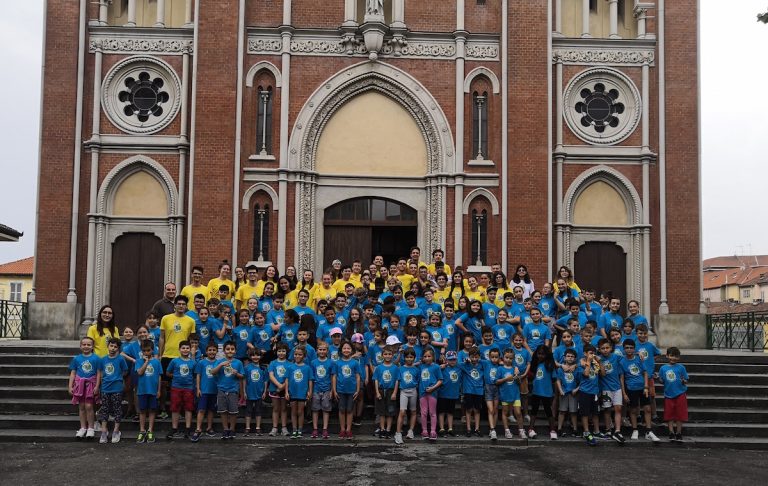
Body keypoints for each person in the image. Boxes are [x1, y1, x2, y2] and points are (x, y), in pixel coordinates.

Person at [158, 295, 196, 419]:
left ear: (186, 306)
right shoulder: (166, 318)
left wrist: (191, 354)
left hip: (183, 357)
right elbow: (162, 337)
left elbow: (192, 340)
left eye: (183, 304)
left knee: (183, 384)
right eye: (178, 304)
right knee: (163, 384)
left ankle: (183, 410)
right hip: (167, 355)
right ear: (174, 305)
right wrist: (160, 354)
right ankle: (163, 409)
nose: (181, 306)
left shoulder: (191, 321)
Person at [620, 339, 660, 442]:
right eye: (627, 348)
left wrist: (646, 387)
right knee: (633, 410)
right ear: (624, 349)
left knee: (647, 408)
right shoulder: (622, 361)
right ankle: (635, 430)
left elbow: (645, 372)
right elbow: (622, 378)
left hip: (642, 387)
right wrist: (624, 393)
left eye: (631, 348)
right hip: (631, 388)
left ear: (634, 349)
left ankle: (648, 431)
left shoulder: (639, 359)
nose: (629, 350)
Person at [96, 338, 128, 444]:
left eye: (115, 347)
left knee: (117, 408)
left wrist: (117, 378)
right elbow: (100, 373)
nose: (113, 348)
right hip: (105, 388)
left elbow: (125, 371)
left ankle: (116, 430)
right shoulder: (103, 359)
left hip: (117, 388)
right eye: (111, 346)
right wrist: (98, 386)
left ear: (118, 348)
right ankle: (104, 431)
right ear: (108, 346)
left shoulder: (120, 359)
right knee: (105, 409)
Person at [68, 337, 101, 439]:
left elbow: (99, 373)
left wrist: (97, 386)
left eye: (89, 345)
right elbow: (73, 373)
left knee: (89, 406)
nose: (86, 347)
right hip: (79, 385)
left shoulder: (96, 358)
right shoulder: (76, 359)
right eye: (84, 344)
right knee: (81, 406)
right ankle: (83, 427)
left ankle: (91, 428)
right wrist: (70, 386)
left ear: (92, 346)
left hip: (91, 385)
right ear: (80, 346)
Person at [212, 341, 245, 439]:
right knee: (223, 411)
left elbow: (242, 376)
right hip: (221, 389)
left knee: (233, 411)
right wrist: (221, 365)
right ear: (224, 350)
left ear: (235, 351)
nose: (230, 351)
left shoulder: (238, 362)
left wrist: (236, 373)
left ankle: (232, 429)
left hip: (233, 389)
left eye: (232, 349)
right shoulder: (219, 361)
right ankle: (225, 429)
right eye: (228, 349)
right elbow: (213, 372)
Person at [597, 338, 626, 443]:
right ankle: (608, 429)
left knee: (618, 409)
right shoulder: (598, 359)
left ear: (611, 348)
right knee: (607, 409)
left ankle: (617, 430)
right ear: (599, 349)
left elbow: (628, 356)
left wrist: (638, 354)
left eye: (607, 348)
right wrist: (600, 362)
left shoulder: (616, 357)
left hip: (617, 387)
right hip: (605, 388)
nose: (605, 350)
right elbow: (603, 374)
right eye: (603, 348)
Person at [165, 340, 196, 439]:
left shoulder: (193, 362)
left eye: (187, 348)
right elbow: (168, 373)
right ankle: (174, 428)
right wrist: (176, 376)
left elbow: (195, 374)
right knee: (175, 408)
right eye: (183, 348)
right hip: (176, 387)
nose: (185, 350)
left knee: (188, 408)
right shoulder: (174, 361)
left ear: (190, 349)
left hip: (189, 388)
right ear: (179, 349)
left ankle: (188, 428)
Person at [333, 341, 363, 440]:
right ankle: (342, 429)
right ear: (341, 350)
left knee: (350, 410)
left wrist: (358, 390)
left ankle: (348, 430)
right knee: (341, 410)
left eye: (348, 348)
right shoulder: (337, 363)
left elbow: (358, 377)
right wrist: (334, 390)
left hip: (352, 390)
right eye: (344, 348)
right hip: (340, 390)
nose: (346, 350)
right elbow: (334, 377)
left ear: (352, 350)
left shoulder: (355, 362)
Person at [658, 347, 689, 442]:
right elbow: (662, 380)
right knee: (669, 414)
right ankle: (671, 432)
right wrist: (659, 379)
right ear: (667, 356)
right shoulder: (663, 368)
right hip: (668, 394)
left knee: (680, 414)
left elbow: (686, 379)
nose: (673, 358)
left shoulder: (681, 367)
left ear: (679, 358)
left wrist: (684, 381)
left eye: (676, 356)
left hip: (680, 393)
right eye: (671, 355)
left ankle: (679, 432)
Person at [190, 343, 219, 442]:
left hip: (214, 390)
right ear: (206, 352)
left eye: (214, 350)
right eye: (210, 350)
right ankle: (198, 429)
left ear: (217, 351)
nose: (212, 352)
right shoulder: (202, 363)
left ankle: (209, 428)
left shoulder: (219, 363)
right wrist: (198, 388)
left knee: (211, 410)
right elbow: (198, 375)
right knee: (201, 410)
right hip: (204, 390)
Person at [135, 340, 162, 444]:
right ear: (141, 351)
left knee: (152, 410)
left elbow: (159, 376)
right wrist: (146, 362)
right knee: (142, 411)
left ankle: (150, 429)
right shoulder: (138, 361)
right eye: (144, 351)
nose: (146, 352)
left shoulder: (156, 362)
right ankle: (142, 430)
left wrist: (159, 390)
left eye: (148, 350)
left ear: (152, 350)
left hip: (153, 390)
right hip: (142, 390)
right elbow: (140, 372)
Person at [528, 345, 558, 440]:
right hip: (536, 391)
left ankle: (552, 430)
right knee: (534, 410)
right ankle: (530, 429)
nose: (540, 356)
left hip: (546, 392)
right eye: (539, 354)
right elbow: (532, 376)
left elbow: (554, 378)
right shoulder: (535, 364)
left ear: (547, 355)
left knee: (548, 411)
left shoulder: (550, 365)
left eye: (543, 354)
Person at [496, 348, 526, 439]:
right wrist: (506, 379)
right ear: (503, 358)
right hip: (505, 395)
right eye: (506, 357)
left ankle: (521, 430)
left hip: (515, 395)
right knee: (505, 412)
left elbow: (519, 382)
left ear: (513, 359)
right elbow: (496, 381)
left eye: (510, 358)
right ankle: (507, 431)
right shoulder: (500, 369)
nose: (508, 360)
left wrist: (517, 376)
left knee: (518, 413)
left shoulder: (515, 369)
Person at [286, 345, 313, 438]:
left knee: (300, 411)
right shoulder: (290, 367)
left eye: (300, 354)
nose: (297, 356)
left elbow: (310, 380)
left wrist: (310, 391)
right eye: (296, 354)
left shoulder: (307, 368)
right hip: (292, 392)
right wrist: (286, 391)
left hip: (302, 392)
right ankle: (294, 430)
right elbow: (287, 380)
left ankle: (300, 430)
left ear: (304, 356)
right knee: (293, 411)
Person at [578, 344, 602, 446]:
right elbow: (586, 374)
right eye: (590, 353)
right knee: (585, 413)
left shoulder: (595, 364)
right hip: (585, 391)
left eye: (594, 353)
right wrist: (588, 361)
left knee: (595, 413)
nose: (593, 355)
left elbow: (602, 374)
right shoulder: (581, 364)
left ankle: (596, 431)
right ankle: (586, 432)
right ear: (585, 354)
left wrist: (599, 362)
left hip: (594, 391)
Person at [394, 347, 419, 444]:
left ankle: (411, 430)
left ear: (414, 358)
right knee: (402, 411)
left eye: (411, 357)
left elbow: (417, 381)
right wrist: (395, 393)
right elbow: (398, 381)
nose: (409, 359)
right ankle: (398, 433)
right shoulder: (401, 369)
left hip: (413, 391)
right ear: (404, 358)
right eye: (407, 357)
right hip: (403, 391)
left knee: (413, 411)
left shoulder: (416, 369)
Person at [373, 346, 400, 439]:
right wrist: (377, 392)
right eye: (385, 354)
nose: (387, 356)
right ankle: (382, 429)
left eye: (389, 354)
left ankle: (388, 429)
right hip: (381, 390)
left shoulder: (395, 368)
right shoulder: (378, 368)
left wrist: (394, 393)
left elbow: (397, 380)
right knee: (381, 412)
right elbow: (376, 380)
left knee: (390, 412)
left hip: (391, 391)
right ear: (382, 355)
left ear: (392, 355)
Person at [458, 348, 484, 437]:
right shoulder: (466, 365)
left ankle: (477, 429)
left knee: (477, 410)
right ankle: (468, 429)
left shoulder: (482, 364)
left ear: (479, 357)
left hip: (479, 391)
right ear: (469, 356)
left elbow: (491, 363)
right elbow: (458, 364)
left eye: (476, 357)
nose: (474, 359)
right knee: (468, 410)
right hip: (468, 391)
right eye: (472, 357)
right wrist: (465, 361)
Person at [311, 341, 334, 439]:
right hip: (316, 388)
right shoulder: (313, 362)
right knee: (315, 409)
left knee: (326, 409)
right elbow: (311, 378)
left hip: (327, 388)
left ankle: (325, 429)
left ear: (327, 351)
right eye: (320, 349)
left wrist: (332, 390)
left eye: (324, 350)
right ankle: (315, 429)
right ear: (317, 351)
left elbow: (333, 377)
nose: (322, 351)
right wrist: (310, 390)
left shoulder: (331, 362)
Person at [555, 348, 580, 438]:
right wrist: (560, 390)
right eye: (568, 356)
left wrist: (576, 389)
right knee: (562, 411)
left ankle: (575, 429)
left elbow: (582, 381)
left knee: (573, 412)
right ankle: (559, 429)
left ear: (575, 359)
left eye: (572, 357)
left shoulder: (576, 369)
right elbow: (558, 380)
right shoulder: (561, 369)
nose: (570, 358)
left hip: (573, 393)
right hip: (564, 392)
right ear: (564, 358)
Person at [243, 348, 268, 436]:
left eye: (257, 355)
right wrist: (244, 392)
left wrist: (265, 391)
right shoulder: (247, 368)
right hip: (249, 392)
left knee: (258, 410)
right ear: (250, 356)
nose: (255, 357)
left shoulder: (263, 368)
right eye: (253, 355)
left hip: (259, 392)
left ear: (260, 356)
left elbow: (265, 381)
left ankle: (258, 427)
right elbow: (244, 380)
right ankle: (247, 428)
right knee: (248, 410)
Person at [268, 342, 291, 437]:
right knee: (276, 409)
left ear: (286, 352)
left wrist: (283, 386)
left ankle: (284, 427)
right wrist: (278, 385)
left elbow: (289, 377)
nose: (281, 353)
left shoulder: (289, 363)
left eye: (283, 351)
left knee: (284, 409)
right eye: (279, 351)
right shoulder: (273, 363)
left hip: (285, 389)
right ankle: (275, 428)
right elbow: (271, 375)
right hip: (275, 388)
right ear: (276, 352)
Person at [437, 350, 461, 437]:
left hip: (453, 394)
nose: (452, 361)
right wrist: (440, 366)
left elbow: (466, 364)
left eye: (454, 359)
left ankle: (450, 428)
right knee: (442, 412)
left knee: (450, 412)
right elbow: (435, 369)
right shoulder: (443, 368)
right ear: (446, 360)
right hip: (443, 394)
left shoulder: (459, 367)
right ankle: (442, 428)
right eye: (450, 359)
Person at [482, 348, 501, 440]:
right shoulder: (486, 363)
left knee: (496, 409)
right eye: (492, 357)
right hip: (488, 387)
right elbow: (475, 359)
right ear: (489, 357)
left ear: (499, 357)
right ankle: (492, 429)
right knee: (491, 409)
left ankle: (492, 429)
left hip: (497, 388)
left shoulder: (500, 366)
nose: (494, 359)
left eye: (496, 357)